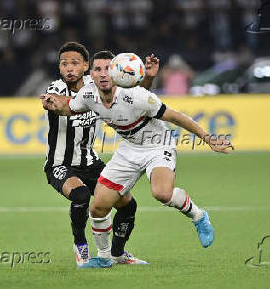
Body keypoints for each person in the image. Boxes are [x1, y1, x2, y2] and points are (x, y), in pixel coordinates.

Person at [42, 51, 234, 268]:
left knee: (161, 193)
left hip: (157, 145)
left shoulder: (137, 96)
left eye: (108, 69)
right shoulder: (88, 95)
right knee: (98, 208)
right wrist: (55, 105)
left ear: (116, 73)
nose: (103, 74)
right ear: (91, 74)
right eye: (98, 69)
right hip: (129, 149)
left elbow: (176, 116)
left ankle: (199, 216)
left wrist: (207, 138)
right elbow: (69, 107)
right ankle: (105, 258)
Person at [43, 42, 159, 266]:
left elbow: (133, 95)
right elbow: (55, 101)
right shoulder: (56, 88)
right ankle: (81, 246)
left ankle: (118, 252)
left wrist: (148, 79)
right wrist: (51, 104)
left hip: (91, 162)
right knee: (81, 196)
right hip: (60, 164)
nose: (69, 68)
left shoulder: (95, 86)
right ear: (59, 68)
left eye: (74, 63)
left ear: (86, 66)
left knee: (128, 204)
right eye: (64, 64)